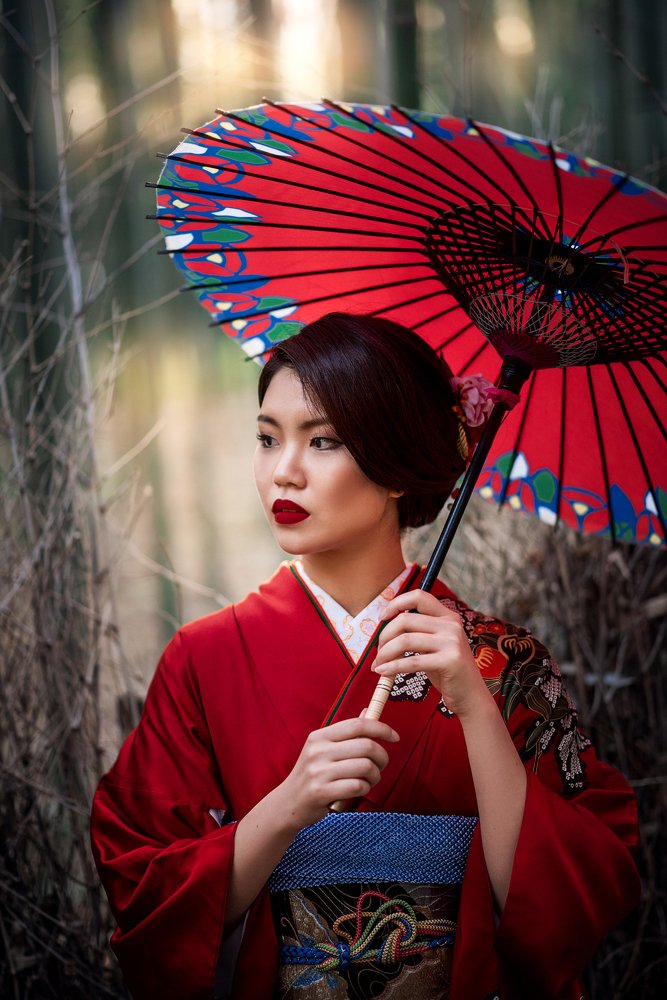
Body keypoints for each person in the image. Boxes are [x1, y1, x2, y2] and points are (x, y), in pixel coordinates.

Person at [91, 312, 640, 1000]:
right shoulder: (203, 659)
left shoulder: (504, 661)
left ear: (395, 466)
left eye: (322, 441)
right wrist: (285, 808)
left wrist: (473, 704)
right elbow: (142, 886)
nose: (282, 472)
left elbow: (573, 893)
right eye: (266, 438)